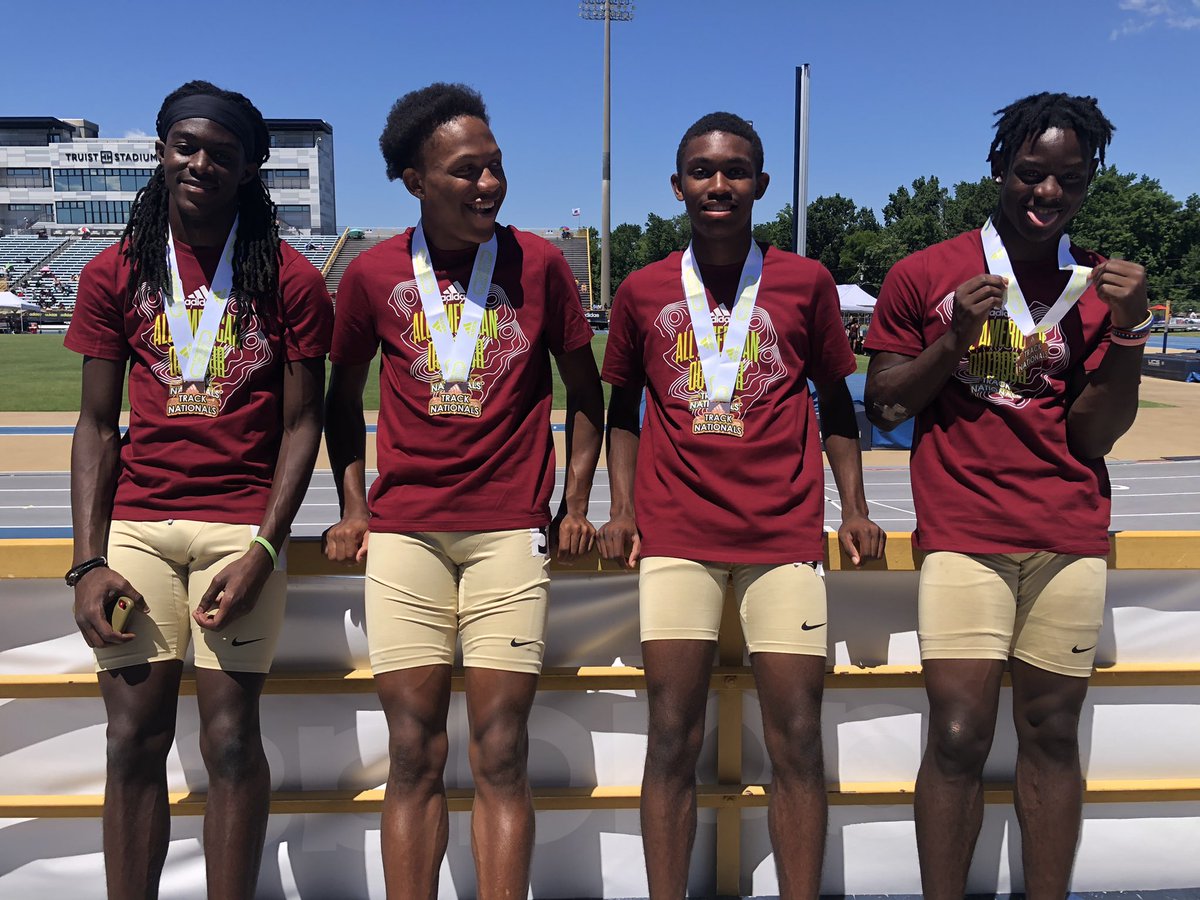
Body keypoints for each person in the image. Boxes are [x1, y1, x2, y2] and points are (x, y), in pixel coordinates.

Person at [863, 92, 1150, 900]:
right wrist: (954, 336)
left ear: (1091, 181)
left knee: (1053, 734)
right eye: (1030, 174)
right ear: (999, 169)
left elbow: (1093, 437)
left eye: (1069, 179)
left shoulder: (1100, 287)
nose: (1047, 194)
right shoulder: (926, 273)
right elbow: (884, 403)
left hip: (1067, 534)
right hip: (963, 532)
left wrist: (1127, 333)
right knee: (957, 737)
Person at [323, 82, 604, 898]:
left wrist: (577, 503)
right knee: (412, 754)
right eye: (466, 171)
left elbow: (589, 396)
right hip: (405, 534)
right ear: (415, 180)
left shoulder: (541, 264)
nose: (489, 185)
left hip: (508, 535)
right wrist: (351, 507)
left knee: (500, 752)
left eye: (496, 167)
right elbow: (341, 403)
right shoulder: (373, 273)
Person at [598, 111, 885, 899]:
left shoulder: (805, 282)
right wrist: (620, 507)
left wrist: (853, 506)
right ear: (677, 185)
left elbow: (837, 400)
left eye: (734, 171)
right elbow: (623, 409)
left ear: (761, 185)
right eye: (701, 170)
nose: (718, 184)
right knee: (672, 737)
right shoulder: (643, 289)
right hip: (676, 535)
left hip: (783, 535)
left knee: (796, 739)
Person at [65, 80, 333, 899]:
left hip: (238, 530)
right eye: (187, 145)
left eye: (222, 152)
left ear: (251, 168)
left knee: (229, 742)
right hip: (140, 530)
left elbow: (302, 425)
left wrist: (263, 547)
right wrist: (87, 562)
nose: (202, 162)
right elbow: (96, 426)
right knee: (133, 741)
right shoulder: (115, 272)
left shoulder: (289, 279)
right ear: (161, 151)